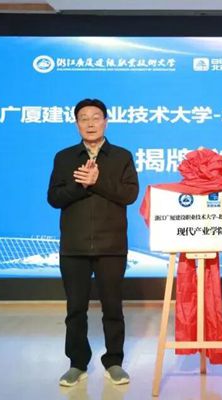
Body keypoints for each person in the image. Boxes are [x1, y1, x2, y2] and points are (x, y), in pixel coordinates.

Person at [47, 98, 139, 387]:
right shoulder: (64, 158)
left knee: (112, 307)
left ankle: (114, 361)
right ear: (77, 124)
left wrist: (97, 182)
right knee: (75, 308)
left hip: (111, 245)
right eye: (83, 118)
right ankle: (77, 363)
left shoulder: (121, 156)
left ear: (106, 122)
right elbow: (53, 198)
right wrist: (81, 186)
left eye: (96, 117)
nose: (90, 123)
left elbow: (129, 195)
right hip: (74, 246)